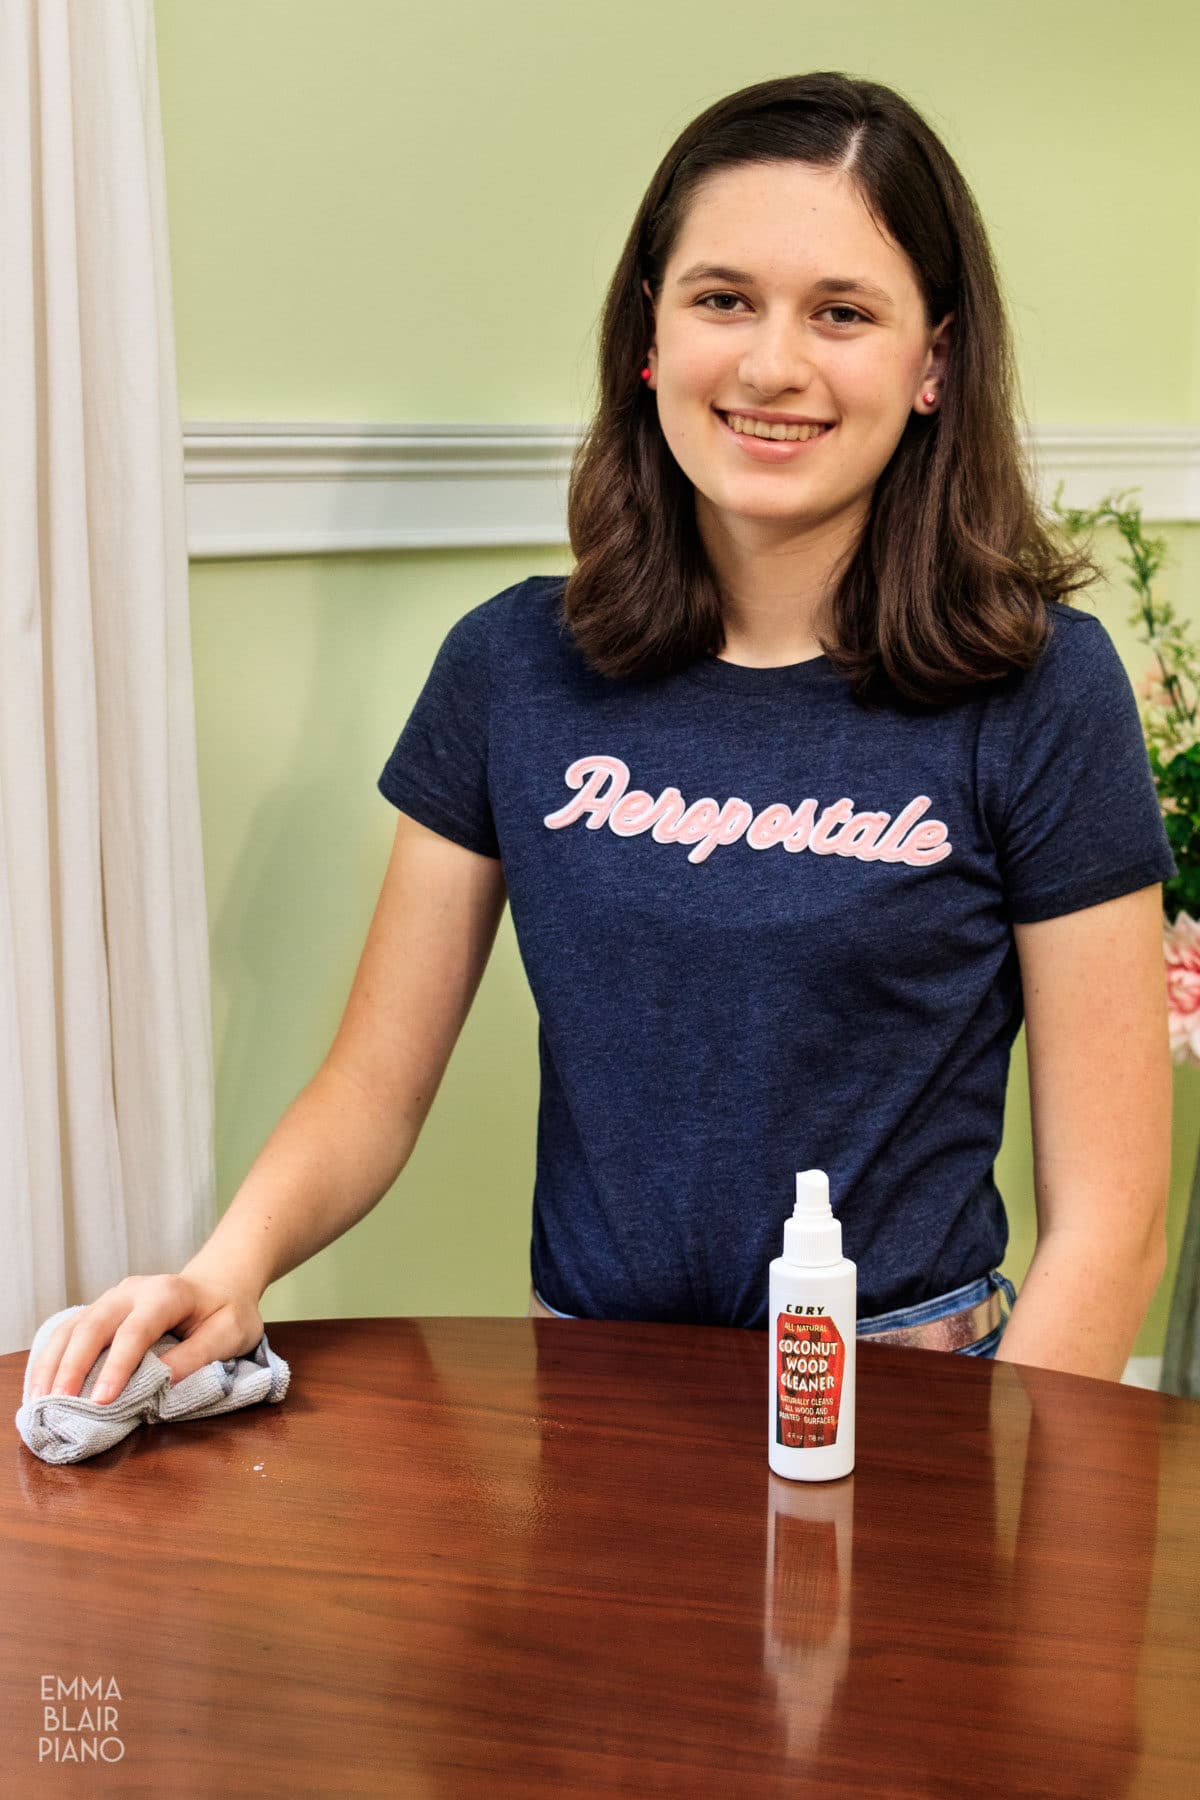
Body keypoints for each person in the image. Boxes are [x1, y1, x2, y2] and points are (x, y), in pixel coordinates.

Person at [27, 72, 1176, 1407]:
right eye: (723, 298)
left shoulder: (1039, 688)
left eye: (842, 314)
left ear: (933, 360)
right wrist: (226, 1268)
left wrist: (1009, 1504)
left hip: (916, 1402)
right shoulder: (514, 666)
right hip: (598, 1402)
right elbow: (371, 1084)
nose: (770, 365)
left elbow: (1112, 1220)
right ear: (649, 329)